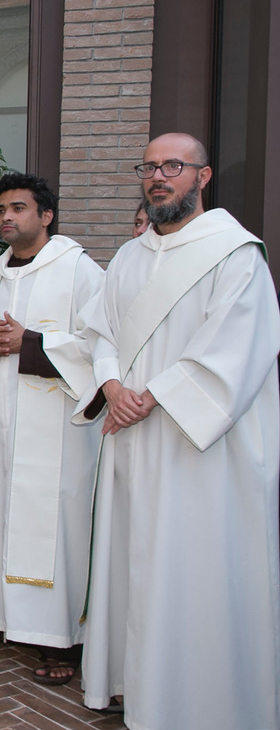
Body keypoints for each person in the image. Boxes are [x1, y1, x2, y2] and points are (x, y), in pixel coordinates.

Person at [75, 132, 280, 728]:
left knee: (192, 566)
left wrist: (153, 396)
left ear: (203, 176)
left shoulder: (235, 254)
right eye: (149, 166)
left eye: (173, 166)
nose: (158, 176)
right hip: (131, 432)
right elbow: (100, 333)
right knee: (134, 560)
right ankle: (133, 684)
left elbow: (235, 351)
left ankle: (200, 700)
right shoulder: (132, 255)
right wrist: (112, 386)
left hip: (198, 450)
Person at [0, 173, 103, 686]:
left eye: (18, 208)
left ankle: (59, 638)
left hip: (58, 429)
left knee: (54, 522)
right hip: (1, 424)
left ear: (46, 216)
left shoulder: (80, 271)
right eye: (1, 210)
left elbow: (100, 345)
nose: (6, 217)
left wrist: (30, 344)